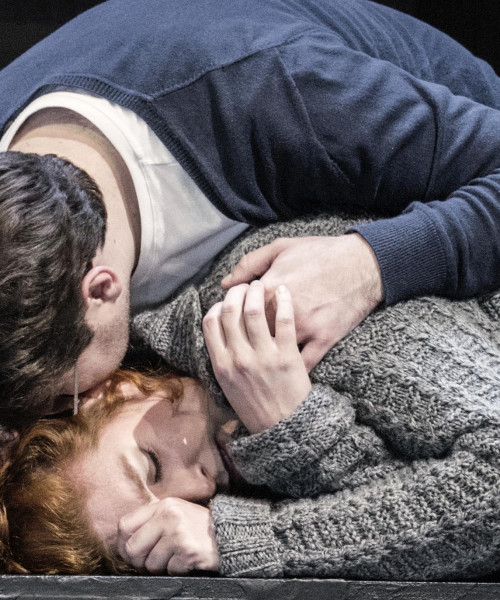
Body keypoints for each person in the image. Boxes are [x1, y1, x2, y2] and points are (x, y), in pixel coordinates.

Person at [1, 0, 500, 429]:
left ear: (101, 290)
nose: (58, 416)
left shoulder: (284, 94)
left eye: (60, 401)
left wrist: (369, 265)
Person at [1, 215, 499, 579]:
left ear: (114, 391)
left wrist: (249, 540)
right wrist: (298, 434)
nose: (196, 494)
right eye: (153, 534)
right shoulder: (256, 469)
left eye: (151, 465)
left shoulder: (263, 309)